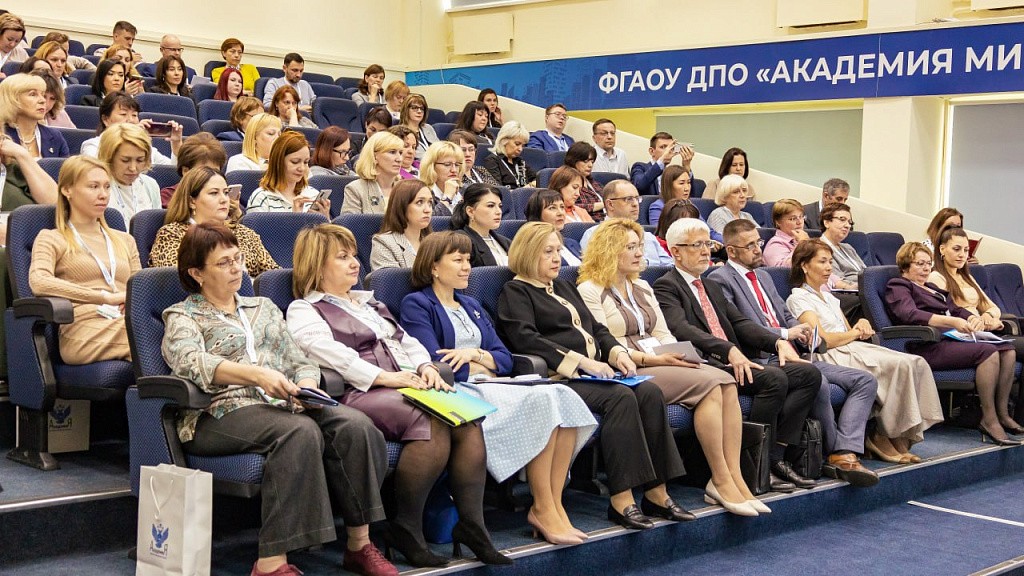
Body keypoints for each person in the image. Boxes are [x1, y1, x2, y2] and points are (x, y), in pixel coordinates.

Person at [163, 223, 396, 576]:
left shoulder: (264, 307)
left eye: (238, 259)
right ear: (197, 273)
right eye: (224, 263)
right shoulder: (183, 315)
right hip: (217, 412)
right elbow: (189, 361)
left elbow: (299, 359)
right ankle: (271, 563)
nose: (236, 268)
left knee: (355, 425)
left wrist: (306, 385)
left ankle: (359, 544)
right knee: (298, 432)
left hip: (282, 403)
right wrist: (256, 375)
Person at [287, 224, 510, 567]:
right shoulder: (305, 309)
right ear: (317, 266)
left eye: (354, 255)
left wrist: (426, 366)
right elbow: (329, 354)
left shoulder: (369, 303)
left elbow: (407, 341)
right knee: (431, 418)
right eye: (342, 257)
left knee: (468, 418)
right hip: (359, 391)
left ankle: (472, 526)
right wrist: (386, 378)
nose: (355, 263)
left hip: (403, 384)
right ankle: (406, 527)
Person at [401, 231, 599, 542]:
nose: (467, 267)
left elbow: (504, 358)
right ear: (434, 267)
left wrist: (475, 355)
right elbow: (435, 362)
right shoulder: (417, 304)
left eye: (468, 259)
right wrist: (482, 364)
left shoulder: (470, 304)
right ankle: (542, 508)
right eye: (457, 260)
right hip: (458, 391)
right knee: (543, 402)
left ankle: (555, 505)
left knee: (563, 395)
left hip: (495, 383)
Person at [498, 221, 692, 529]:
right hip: (560, 378)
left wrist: (618, 354)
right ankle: (622, 500)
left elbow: (598, 329)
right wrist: (583, 362)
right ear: (527, 253)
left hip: (594, 373)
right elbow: (526, 340)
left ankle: (657, 492)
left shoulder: (563, 286)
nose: (556, 258)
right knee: (620, 398)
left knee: (649, 392)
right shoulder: (516, 291)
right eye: (547, 252)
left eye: (558, 250)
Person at [578, 219, 771, 514]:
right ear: (609, 251)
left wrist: (678, 355)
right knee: (714, 382)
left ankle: (733, 477)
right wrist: (657, 359)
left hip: (662, 360)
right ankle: (720, 479)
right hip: (630, 368)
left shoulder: (641, 286)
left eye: (639, 246)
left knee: (725, 381)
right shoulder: (590, 290)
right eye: (630, 247)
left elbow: (663, 333)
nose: (639, 253)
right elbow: (605, 344)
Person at [653, 218, 821, 492]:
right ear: (676, 252)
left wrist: (777, 341)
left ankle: (776, 457)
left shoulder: (710, 285)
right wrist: (728, 349)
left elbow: (740, 323)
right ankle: (754, 465)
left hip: (734, 361)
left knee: (808, 374)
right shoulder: (667, 286)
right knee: (774, 379)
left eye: (707, 244)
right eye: (697, 245)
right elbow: (681, 328)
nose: (706, 251)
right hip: (706, 365)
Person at [709, 221, 880, 487]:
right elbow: (740, 326)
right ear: (731, 251)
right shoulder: (720, 279)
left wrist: (802, 331)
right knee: (815, 380)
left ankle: (843, 449)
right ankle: (834, 453)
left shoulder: (764, 276)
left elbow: (785, 314)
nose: (758, 249)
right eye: (750, 245)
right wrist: (784, 335)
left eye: (758, 242)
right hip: (760, 355)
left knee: (865, 380)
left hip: (793, 353)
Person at [787, 238, 945, 463]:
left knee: (915, 362)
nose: (829, 267)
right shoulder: (798, 298)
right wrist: (854, 334)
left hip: (851, 347)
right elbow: (823, 340)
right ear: (804, 265)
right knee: (898, 365)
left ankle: (900, 435)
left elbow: (847, 330)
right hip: (830, 354)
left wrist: (860, 325)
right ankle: (881, 434)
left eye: (830, 262)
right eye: (822, 262)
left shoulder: (829, 297)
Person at [886, 242, 1022, 446]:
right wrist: (952, 322)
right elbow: (909, 314)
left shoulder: (932, 288)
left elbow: (956, 310)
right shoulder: (898, 285)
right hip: (925, 344)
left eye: (928, 264)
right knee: (987, 351)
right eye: (920, 264)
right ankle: (989, 419)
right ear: (905, 265)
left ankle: (1003, 414)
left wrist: (973, 319)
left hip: (952, 339)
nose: (926, 269)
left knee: (1007, 350)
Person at [29, 155, 141, 364]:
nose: (103, 195)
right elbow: (39, 282)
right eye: (93, 186)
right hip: (82, 329)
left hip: (124, 320)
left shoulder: (125, 240)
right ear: (67, 190)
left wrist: (132, 300)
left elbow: (140, 288)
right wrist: (104, 297)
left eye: (107, 187)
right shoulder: (52, 238)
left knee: (170, 330)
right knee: (150, 335)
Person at [151, 166, 279, 276]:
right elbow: (178, 281)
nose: (224, 199)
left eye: (226, 192)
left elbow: (273, 277)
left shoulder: (245, 233)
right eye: (214, 193)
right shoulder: (172, 234)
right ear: (191, 201)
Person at [929, 227, 1007, 334]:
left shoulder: (967, 277)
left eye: (966, 250)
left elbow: (994, 308)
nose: (962, 255)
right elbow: (949, 314)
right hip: (960, 332)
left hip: (978, 330)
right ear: (942, 249)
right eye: (956, 249)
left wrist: (988, 315)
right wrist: (986, 325)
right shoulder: (936, 277)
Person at [580, 180, 672, 267]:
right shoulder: (593, 235)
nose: (635, 204)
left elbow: (670, 267)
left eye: (637, 199)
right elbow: (595, 271)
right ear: (610, 204)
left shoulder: (648, 236)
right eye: (629, 199)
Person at [81, 93, 182, 166]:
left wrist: (176, 143)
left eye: (134, 115)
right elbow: (100, 170)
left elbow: (172, 172)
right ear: (105, 119)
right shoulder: (92, 145)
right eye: (123, 114)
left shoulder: (146, 147)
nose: (130, 120)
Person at [247, 131, 329, 216]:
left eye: (306, 162)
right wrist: (294, 218)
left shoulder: (313, 195)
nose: (302, 168)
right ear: (278, 162)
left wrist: (325, 219)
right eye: (295, 162)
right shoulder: (261, 198)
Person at [97, 123, 161, 223]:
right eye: (125, 160)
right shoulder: (97, 187)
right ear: (109, 157)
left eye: (140, 160)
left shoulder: (151, 185)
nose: (133, 168)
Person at [0, 73, 70, 159]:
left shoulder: (55, 136)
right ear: (12, 99)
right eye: (33, 94)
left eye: (42, 95)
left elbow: (65, 168)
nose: (43, 100)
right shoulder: (2, 135)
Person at [369, 179, 432, 270]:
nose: (428, 210)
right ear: (402, 205)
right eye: (419, 202)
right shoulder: (384, 243)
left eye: (430, 203)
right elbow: (391, 279)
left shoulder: (435, 243)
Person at [342, 131, 404, 215]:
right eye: (392, 152)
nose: (399, 159)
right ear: (374, 156)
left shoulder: (406, 190)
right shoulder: (356, 189)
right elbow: (350, 223)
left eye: (400, 153)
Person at [159, 132, 227, 207]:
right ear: (185, 171)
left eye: (216, 171)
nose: (211, 176)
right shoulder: (168, 196)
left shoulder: (225, 197)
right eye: (204, 171)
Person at [452, 183, 510, 267]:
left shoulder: (506, 242)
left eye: (500, 206)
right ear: (470, 211)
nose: (499, 212)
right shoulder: (461, 241)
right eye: (490, 206)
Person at [629, 132, 702, 197]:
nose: (668, 151)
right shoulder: (639, 167)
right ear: (651, 151)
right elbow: (639, 186)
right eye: (663, 147)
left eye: (671, 147)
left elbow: (691, 195)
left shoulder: (672, 172)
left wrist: (686, 165)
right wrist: (661, 161)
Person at [525, 188, 582, 265]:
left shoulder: (572, 243)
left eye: (562, 207)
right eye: (552, 208)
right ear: (537, 213)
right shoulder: (532, 247)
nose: (560, 213)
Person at [819, 203, 865, 288]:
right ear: (827, 223)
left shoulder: (848, 247)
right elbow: (838, 281)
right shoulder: (819, 249)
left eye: (849, 222)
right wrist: (865, 286)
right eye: (842, 219)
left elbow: (866, 271)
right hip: (850, 291)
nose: (847, 225)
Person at [481, 121, 536, 188]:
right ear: (504, 140)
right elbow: (497, 189)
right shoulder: (492, 161)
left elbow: (536, 178)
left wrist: (532, 184)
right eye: (517, 144)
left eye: (523, 145)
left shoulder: (519, 161)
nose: (520, 149)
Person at [419, 141, 464, 216]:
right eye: (447, 164)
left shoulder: (465, 191)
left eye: (457, 165)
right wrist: (447, 197)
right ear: (432, 166)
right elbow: (430, 221)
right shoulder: (421, 194)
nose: (454, 170)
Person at [762, 199, 810, 268]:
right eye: (793, 219)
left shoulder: (803, 238)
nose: (799, 222)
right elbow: (781, 270)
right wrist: (802, 244)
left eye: (801, 217)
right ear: (778, 222)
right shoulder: (775, 244)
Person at [563, 142, 604, 222]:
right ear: (573, 161)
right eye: (586, 161)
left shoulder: (595, 183)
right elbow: (569, 206)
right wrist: (603, 204)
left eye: (592, 162)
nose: (590, 165)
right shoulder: (566, 181)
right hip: (588, 223)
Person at [649, 164, 691, 228]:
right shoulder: (658, 207)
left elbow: (705, 228)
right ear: (669, 186)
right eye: (681, 183)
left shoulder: (690, 205)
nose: (687, 188)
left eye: (688, 183)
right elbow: (658, 231)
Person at [400, 93, 438, 160]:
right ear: (406, 110)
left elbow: (440, 148)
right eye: (415, 108)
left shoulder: (428, 128)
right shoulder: (400, 132)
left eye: (422, 108)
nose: (419, 111)